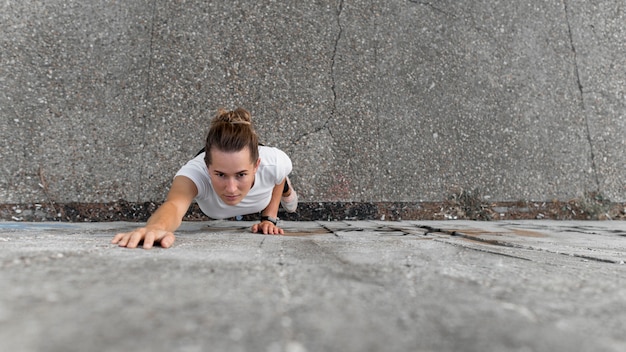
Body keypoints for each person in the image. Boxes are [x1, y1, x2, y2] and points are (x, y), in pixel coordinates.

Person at [111, 108, 298, 249]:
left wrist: (269, 219)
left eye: (241, 175)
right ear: (208, 167)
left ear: (256, 166)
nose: (231, 189)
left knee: (283, 185)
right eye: (220, 175)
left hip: (272, 179)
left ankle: (287, 190)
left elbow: (278, 177)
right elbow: (174, 205)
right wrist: (157, 227)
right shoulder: (194, 172)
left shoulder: (274, 162)